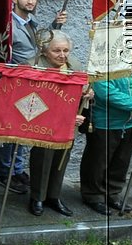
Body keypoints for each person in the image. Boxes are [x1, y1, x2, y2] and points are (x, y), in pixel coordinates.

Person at [1, 0, 69, 193]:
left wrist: (54, 26)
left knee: (25, 128)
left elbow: (40, 45)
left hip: (32, 84)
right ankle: (5, 172)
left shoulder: (32, 21)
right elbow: (25, 56)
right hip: (16, 83)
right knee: (10, 131)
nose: (30, 1)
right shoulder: (9, 25)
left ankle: (18, 168)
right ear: (14, 0)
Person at [27, 29, 87, 217]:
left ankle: (53, 196)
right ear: (45, 51)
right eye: (57, 51)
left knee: (62, 159)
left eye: (66, 51)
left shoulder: (75, 64)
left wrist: (87, 94)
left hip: (69, 124)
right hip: (43, 123)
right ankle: (37, 197)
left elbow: (81, 89)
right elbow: (31, 101)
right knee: (42, 159)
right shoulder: (33, 65)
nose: (63, 55)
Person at [82, 42, 132, 216]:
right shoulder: (103, 62)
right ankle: (93, 195)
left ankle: (112, 193)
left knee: (122, 160)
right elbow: (105, 91)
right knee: (98, 160)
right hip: (107, 120)